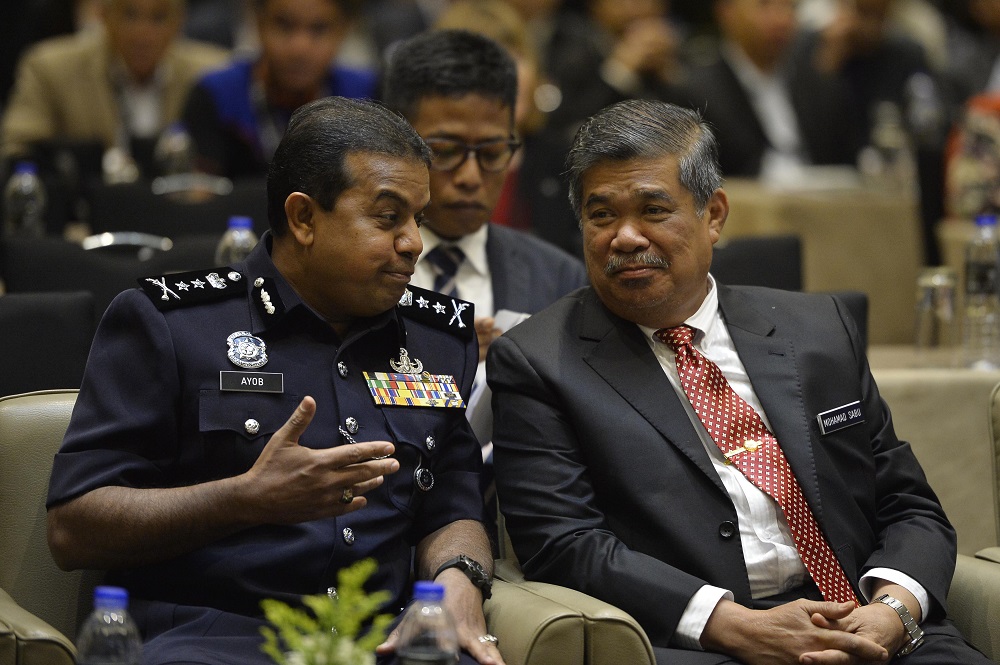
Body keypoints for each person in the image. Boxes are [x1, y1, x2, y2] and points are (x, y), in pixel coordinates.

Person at [488, 98, 994, 665]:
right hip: (708, 644)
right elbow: (564, 545)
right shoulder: (539, 361)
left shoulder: (818, 329)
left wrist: (892, 612)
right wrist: (733, 626)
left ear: (715, 215)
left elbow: (908, 504)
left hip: (866, 627)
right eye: (601, 215)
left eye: (654, 210)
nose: (625, 237)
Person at [46, 96, 504, 665]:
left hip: (382, 640)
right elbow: (74, 529)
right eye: (388, 218)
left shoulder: (437, 340)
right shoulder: (171, 325)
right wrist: (244, 500)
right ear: (303, 218)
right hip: (214, 637)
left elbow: (452, 503)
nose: (413, 242)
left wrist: (460, 577)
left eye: (418, 218)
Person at [381, 29, 589, 489]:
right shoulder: (350, 273)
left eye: (494, 153)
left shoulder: (559, 277)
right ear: (398, 140)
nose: (471, 177)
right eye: (446, 152)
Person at [0, 0, 228, 169]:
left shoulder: (214, 72)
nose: (143, 33)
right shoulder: (50, 68)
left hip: (178, 218)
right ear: (105, 16)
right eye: (130, 15)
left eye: (158, 17)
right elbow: (16, 148)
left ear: (179, 22)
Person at [181, 0, 377, 178]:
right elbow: (202, 200)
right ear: (258, 23)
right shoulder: (215, 95)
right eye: (284, 25)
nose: (299, 48)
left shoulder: (367, 97)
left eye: (319, 29)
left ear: (344, 31)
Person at [679, 0, 861, 181]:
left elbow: (847, 163)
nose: (781, 19)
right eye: (764, 5)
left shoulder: (821, 86)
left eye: (790, 6)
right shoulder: (697, 94)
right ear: (727, 12)